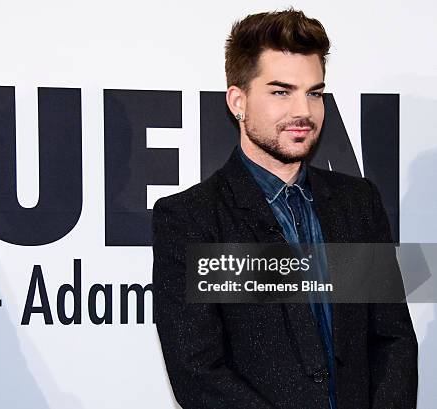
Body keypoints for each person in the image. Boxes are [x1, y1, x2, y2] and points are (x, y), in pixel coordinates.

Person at [152, 9, 418, 409]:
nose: (304, 112)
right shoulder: (192, 218)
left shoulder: (358, 203)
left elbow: (392, 338)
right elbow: (198, 373)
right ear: (237, 101)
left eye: (313, 93)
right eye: (281, 92)